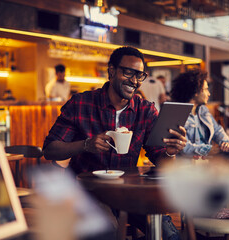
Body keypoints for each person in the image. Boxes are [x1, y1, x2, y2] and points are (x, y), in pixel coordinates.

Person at [43, 46, 186, 239]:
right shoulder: (81, 104)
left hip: (128, 192)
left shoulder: (146, 111)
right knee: (107, 232)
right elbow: (50, 149)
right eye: (128, 72)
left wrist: (170, 152)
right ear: (111, 71)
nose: (134, 81)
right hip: (88, 192)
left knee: (169, 235)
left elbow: (163, 163)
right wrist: (86, 145)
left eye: (139, 75)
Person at [170, 69, 229, 157]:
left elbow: (217, 130)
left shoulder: (203, 110)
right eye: (206, 89)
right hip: (187, 165)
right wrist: (209, 150)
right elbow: (183, 147)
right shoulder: (177, 114)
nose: (208, 93)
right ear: (195, 91)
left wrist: (226, 143)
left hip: (206, 162)